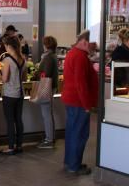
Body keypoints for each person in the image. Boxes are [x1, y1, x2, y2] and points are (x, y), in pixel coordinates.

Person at [61, 31, 98, 176]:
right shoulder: (80, 57)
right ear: (84, 42)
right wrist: (86, 104)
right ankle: (74, 166)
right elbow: (80, 83)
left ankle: (70, 161)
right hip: (78, 101)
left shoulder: (73, 53)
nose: (94, 49)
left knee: (72, 132)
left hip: (72, 99)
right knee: (80, 133)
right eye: (93, 45)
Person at [0, 36, 26, 155]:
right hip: (20, 93)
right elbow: (24, 78)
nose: (5, 47)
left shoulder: (7, 61)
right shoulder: (23, 59)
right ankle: (19, 145)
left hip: (9, 94)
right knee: (18, 119)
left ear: (9, 46)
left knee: (10, 121)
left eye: (5, 45)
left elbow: (4, 79)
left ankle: (10, 147)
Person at [36, 36, 59, 149]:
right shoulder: (53, 56)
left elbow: (45, 73)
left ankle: (49, 139)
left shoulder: (48, 57)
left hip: (46, 86)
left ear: (46, 45)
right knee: (48, 113)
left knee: (46, 114)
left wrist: (38, 72)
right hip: (52, 86)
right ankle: (51, 137)